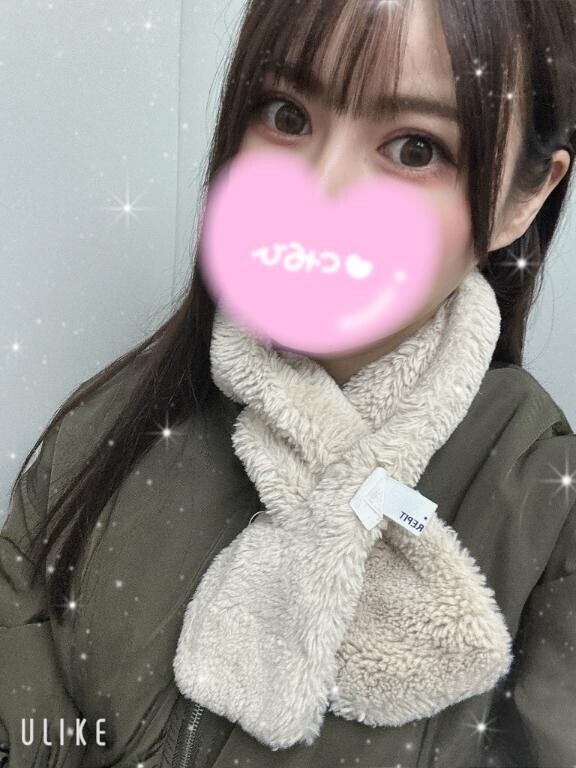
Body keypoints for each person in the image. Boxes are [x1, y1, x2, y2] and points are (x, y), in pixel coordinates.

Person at [1, 0, 575, 766]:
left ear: (524, 199)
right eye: (286, 115)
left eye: (415, 149)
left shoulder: (550, 520)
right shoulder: (98, 442)